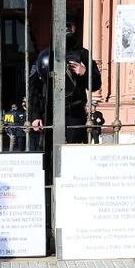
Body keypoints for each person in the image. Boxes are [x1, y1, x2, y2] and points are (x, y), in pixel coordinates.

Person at [28, 10, 103, 165]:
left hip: (75, 113)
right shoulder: (46, 54)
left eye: (70, 25)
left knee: (75, 155)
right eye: (63, 25)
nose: (67, 28)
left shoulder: (83, 54)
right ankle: (51, 187)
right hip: (50, 112)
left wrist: (84, 72)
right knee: (50, 155)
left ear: (75, 27)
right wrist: (35, 115)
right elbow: (34, 87)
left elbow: (96, 85)